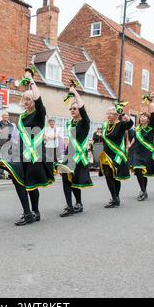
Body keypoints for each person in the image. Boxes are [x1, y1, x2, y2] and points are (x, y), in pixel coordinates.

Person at [0, 70, 54, 226]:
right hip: (20, 154)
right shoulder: (21, 117)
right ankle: (28, 212)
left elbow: (39, 100)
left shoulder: (38, 114)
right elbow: (18, 136)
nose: (27, 101)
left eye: (30, 99)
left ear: (34, 101)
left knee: (31, 185)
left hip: (35, 155)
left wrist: (31, 81)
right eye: (25, 98)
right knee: (18, 181)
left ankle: (35, 211)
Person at [55, 86, 93, 217]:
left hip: (79, 156)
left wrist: (75, 93)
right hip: (69, 154)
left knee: (75, 180)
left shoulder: (85, 122)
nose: (72, 110)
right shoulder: (69, 124)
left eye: (74, 108)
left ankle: (78, 203)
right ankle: (70, 206)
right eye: (70, 108)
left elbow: (82, 108)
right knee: (66, 178)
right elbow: (70, 141)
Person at [98, 106, 134, 208]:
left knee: (115, 177)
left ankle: (116, 197)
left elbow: (130, 123)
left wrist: (124, 116)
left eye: (111, 113)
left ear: (116, 115)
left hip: (117, 155)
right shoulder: (105, 125)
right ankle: (114, 198)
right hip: (106, 155)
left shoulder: (121, 124)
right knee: (108, 175)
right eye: (107, 113)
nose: (108, 115)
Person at [130, 96, 154, 201]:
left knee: (144, 173)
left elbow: (153, 114)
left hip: (147, 153)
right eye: (141, 116)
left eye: (145, 116)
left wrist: (151, 102)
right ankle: (143, 191)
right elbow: (135, 139)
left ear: (148, 120)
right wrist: (129, 145)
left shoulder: (150, 128)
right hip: (137, 153)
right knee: (138, 170)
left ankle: (143, 191)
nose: (142, 118)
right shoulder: (137, 129)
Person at [0, 112, 14, 180]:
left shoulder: (10, 125)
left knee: (3, 160)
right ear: (2, 116)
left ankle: (1, 174)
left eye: (7, 115)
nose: (6, 117)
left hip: (6, 145)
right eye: (5, 115)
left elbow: (11, 136)